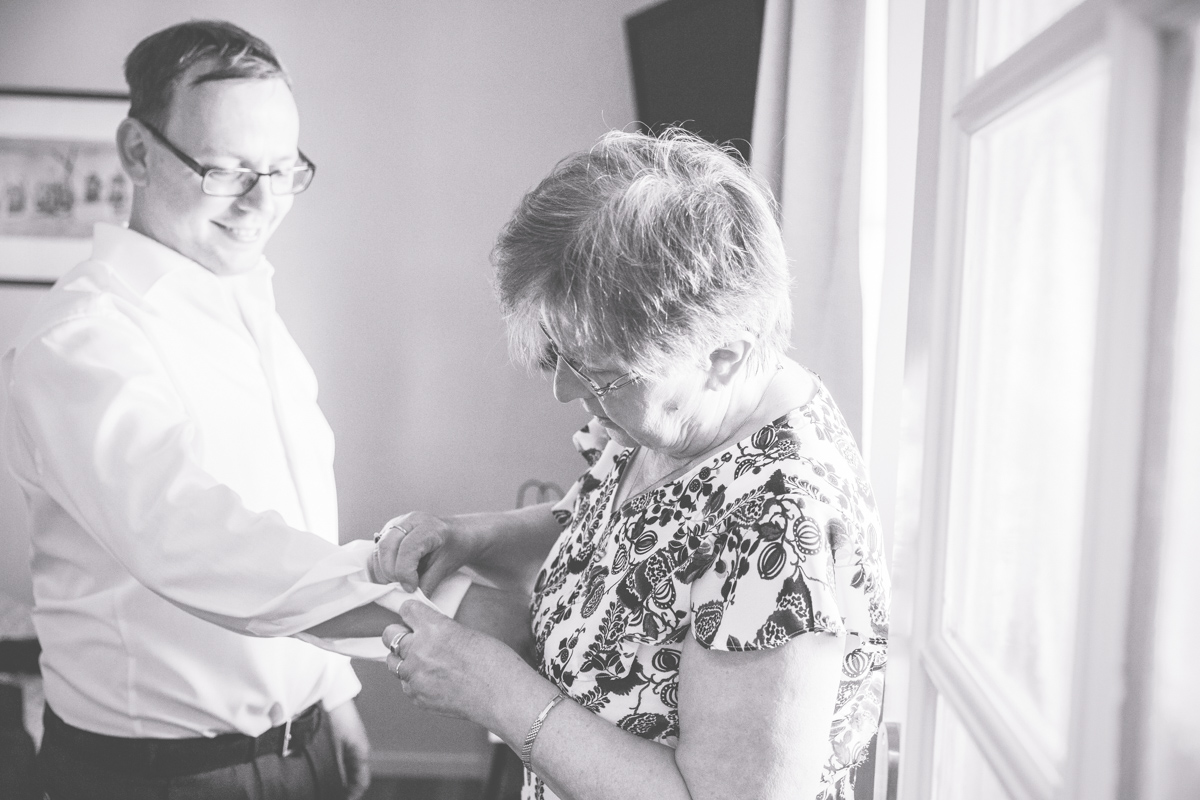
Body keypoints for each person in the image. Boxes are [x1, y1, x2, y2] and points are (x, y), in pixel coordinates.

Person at [1, 20, 464, 800]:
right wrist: (438, 619)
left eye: (283, 170)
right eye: (227, 170)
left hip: (301, 745)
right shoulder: (81, 342)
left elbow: (293, 520)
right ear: (137, 152)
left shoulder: (250, 308)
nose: (263, 202)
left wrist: (330, 697)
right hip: (159, 778)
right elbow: (199, 539)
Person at [369, 130, 892, 800]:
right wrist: (473, 537)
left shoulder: (778, 524)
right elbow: (623, 539)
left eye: (604, 377)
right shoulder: (685, 412)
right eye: (557, 353)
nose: (565, 392)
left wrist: (499, 693)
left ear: (724, 352)